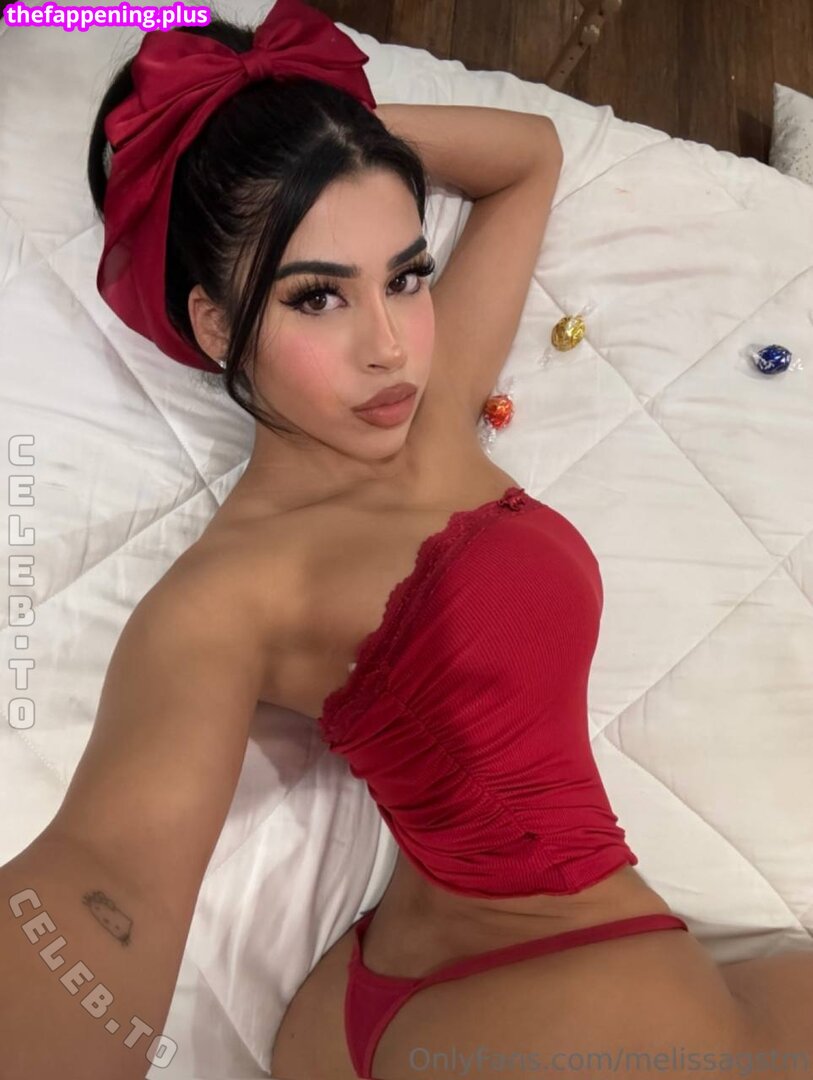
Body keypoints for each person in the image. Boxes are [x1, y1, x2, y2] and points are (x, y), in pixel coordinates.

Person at [2, 2, 812, 1078]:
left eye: (406, 276)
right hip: (525, 1005)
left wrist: (318, 130)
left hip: (471, 983)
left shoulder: (421, 411)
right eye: (317, 298)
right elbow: (108, 880)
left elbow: (529, 157)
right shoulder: (230, 592)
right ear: (214, 325)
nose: (388, 346)